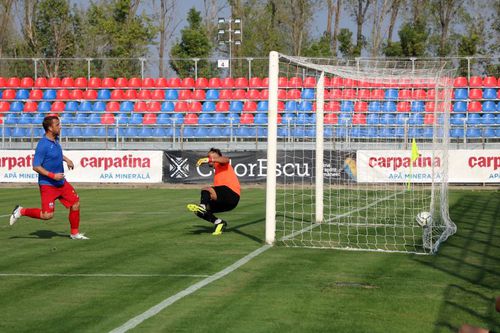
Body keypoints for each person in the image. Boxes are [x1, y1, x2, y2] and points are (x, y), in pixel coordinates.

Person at [9, 115, 88, 240]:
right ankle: (21, 211)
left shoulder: (55, 141)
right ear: (50, 128)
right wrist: (52, 175)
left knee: (75, 204)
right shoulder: (43, 144)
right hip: (48, 184)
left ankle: (74, 233)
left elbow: (56, 155)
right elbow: (36, 166)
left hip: (61, 183)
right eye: (57, 125)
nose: (60, 126)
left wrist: (67, 159)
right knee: (47, 215)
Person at [187, 148, 240, 235]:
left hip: (232, 194)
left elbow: (226, 159)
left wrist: (211, 159)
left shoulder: (222, 164)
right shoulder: (217, 169)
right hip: (229, 204)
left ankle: (202, 206)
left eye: (210, 157)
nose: (208, 159)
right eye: (208, 157)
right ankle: (219, 222)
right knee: (198, 212)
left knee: (206, 189)